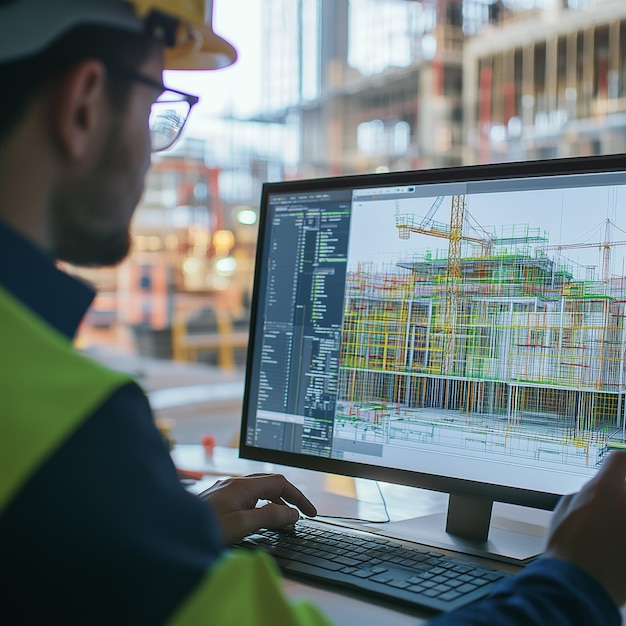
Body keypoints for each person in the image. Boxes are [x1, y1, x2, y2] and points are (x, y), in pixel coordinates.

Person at [0, 1, 623, 624]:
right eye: (154, 112)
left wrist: (162, 533)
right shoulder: (70, 432)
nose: (151, 151)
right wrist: (578, 578)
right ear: (83, 104)